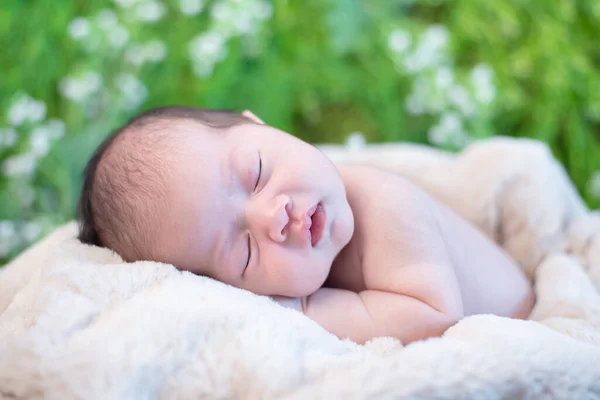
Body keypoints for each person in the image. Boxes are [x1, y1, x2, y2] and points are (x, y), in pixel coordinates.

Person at [77, 106, 534, 345]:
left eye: (256, 172)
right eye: (246, 252)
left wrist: (305, 312)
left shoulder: (389, 205)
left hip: (523, 314)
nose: (271, 216)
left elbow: (436, 316)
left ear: (261, 126)